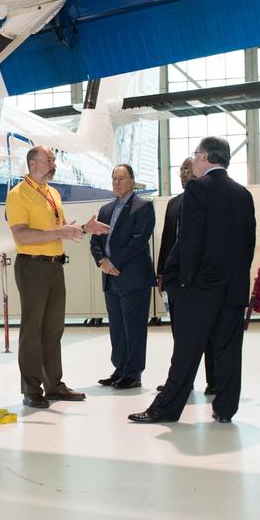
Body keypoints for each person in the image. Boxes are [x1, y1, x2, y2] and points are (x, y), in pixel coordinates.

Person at [130, 137, 255, 424]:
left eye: (195, 155)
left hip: (200, 288)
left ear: (205, 158)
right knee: (228, 351)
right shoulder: (242, 194)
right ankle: (225, 409)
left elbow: (190, 240)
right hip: (234, 288)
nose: (194, 160)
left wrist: (181, 282)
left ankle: (166, 409)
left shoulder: (198, 189)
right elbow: (248, 245)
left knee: (186, 352)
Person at [6, 145, 109, 409]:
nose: (54, 164)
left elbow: (62, 230)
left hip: (54, 266)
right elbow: (22, 235)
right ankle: (31, 389)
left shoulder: (52, 193)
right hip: (32, 267)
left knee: (53, 329)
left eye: (54, 159)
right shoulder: (18, 195)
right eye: (49, 160)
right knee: (32, 331)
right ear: (32, 163)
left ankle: (54, 385)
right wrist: (60, 233)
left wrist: (84, 228)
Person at [90, 164, 156, 389]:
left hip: (133, 277)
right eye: (114, 179)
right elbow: (95, 242)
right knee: (117, 327)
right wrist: (102, 261)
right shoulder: (106, 210)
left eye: (122, 178)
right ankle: (120, 368)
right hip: (110, 277)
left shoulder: (143, 207)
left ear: (132, 181)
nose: (117, 183)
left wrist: (113, 262)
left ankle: (134, 373)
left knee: (134, 327)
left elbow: (138, 241)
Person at [155, 156, 216, 395]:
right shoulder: (173, 203)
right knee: (180, 334)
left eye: (188, 169)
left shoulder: (209, 200)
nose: (183, 173)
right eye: (180, 169)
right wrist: (161, 273)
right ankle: (182, 381)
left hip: (202, 279)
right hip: (176, 280)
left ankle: (214, 381)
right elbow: (167, 240)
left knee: (209, 333)